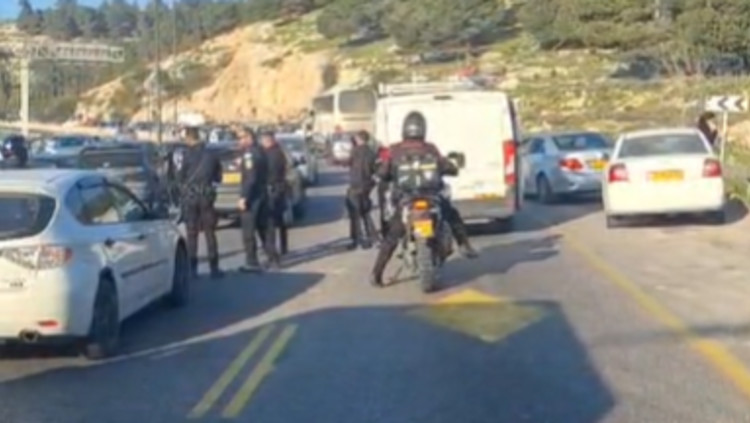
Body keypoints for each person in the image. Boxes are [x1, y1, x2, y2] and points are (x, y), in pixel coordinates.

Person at [370, 111, 478, 287]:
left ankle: (376, 274)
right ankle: (464, 245)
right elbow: (448, 167)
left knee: (392, 237)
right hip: (431, 197)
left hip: (406, 199)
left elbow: (383, 173)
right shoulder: (430, 149)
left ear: (405, 129)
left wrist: (381, 174)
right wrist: (452, 167)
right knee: (453, 216)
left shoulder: (395, 150)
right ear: (423, 129)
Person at [176, 126, 224, 279]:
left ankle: (193, 269)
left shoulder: (186, 155)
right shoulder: (212, 155)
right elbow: (219, 177)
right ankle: (214, 268)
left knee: (192, 233)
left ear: (189, 138)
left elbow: (180, 177)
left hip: (191, 198)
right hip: (206, 197)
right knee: (210, 232)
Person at [236, 127, 279, 272]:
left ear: (249, 137)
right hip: (262, 195)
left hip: (253, 197)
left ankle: (252, 261)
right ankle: (273, 258)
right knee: (265, 228)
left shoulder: (249, 154)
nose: (239, 141)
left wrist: (244, 197)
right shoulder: (261, 151)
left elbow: (251, 178)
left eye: (242, 138)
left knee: (248, 231)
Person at [346, 130, 379, 249]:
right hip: (366, 185)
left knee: (355, 213)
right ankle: (372, 237)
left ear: (359, 139)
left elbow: (349, 162)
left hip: (355, 185)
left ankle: (357, 239)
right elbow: (375, 169)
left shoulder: (355, 151)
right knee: (365, 212)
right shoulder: (371, 152)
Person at [260, 131, 289, 261]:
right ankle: (283, 247)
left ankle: (272, 253)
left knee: (269, 222)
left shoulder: (272, 154)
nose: (262, 143)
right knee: (280, 220)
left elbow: (270, 172)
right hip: (279, 189)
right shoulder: (279, 152)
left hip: (272, 189)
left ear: (268, 140)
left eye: (263, 140)